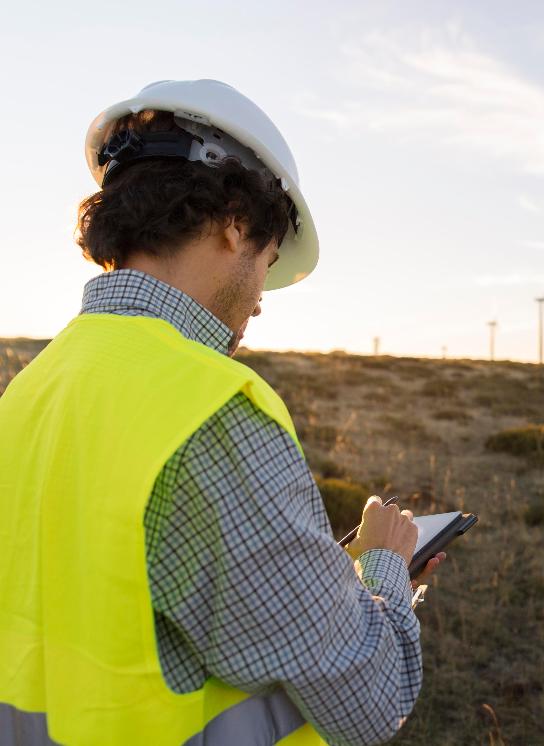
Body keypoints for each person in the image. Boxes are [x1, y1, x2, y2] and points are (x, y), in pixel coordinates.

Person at [0, 79, 443, 746]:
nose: (261, 299)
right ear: (236, 223)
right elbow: (371, 699)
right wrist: (383, 565)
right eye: (268, 261)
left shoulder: (31, 392)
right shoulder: (211, 414)